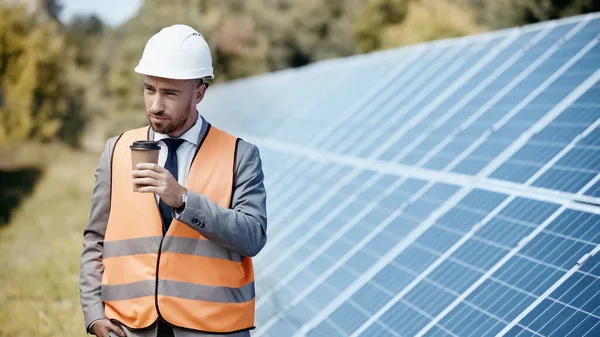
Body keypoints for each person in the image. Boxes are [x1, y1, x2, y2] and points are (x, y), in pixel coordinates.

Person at [79, 24, 267, 337]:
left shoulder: (240, 156)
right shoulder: (116, 151)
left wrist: (183, 199)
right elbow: (94, 240)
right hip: (131, 329)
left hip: (212, 330)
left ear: (198, 93)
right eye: (149, 89)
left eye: (169, 93)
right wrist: (94, 315)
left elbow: (253, 237)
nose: (155, 105)